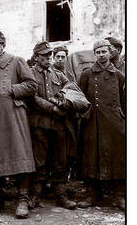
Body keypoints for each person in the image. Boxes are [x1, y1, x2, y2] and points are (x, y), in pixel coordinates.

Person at [0, 30, 38, 219]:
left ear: (4, 45)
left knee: (20, 154)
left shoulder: (16, 61)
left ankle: (22, 199)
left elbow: (32, 85)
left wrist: (11, 89)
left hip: (13, 116)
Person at [28, 41, 77, 210]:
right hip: (39, 125)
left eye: (49, 55)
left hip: (58, 125)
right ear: (36, 57)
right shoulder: (30, 74)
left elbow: (71, 88)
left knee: (60, 161)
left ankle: (61, 196)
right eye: (44, 56)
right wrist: (53, 108)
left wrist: (64, 104)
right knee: (38, 161)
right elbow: (32, 98)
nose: (48, 59)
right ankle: (34, 195)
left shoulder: (58, 74)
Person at [77, 40, 125, 210]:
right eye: (98, 52)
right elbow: (80, 97)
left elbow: (123, 99)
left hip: (114, 123)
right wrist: (85, 114)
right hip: (93, 122)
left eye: (104, 51)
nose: (102, 55)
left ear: (110, 53)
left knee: (117, 157)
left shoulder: (119, 75)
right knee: (92, 156)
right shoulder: (87, 74)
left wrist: (122, 118)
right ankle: (92, 193)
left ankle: (119, 195)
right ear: (94, 54)